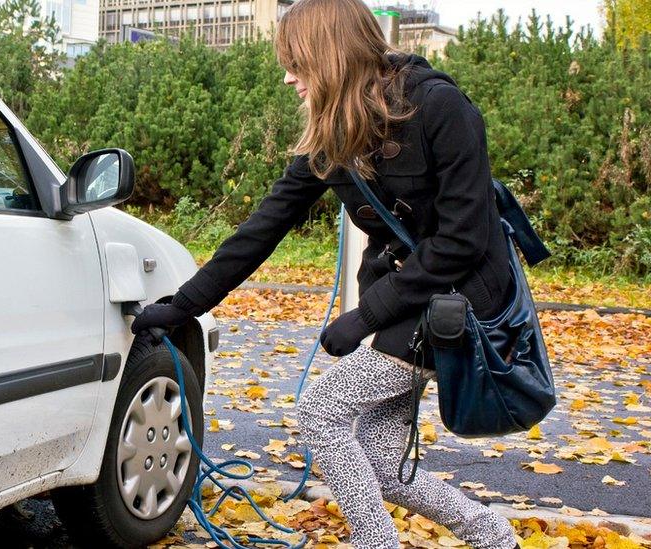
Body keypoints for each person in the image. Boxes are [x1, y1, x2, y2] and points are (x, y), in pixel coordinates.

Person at [130, 0, 519, 547]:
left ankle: (375, 542)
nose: (289, 76)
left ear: (331, 56)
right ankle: (496, 536)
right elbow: (263, 227)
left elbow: (462, 241)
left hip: (459, 300)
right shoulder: (336, 133)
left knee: (321, 412)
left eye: (297, 62)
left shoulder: (440, 108)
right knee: (382, 464)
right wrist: (183, 304)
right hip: (405, 300)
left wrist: (364, 317)